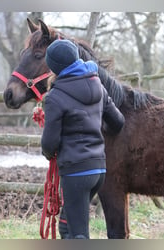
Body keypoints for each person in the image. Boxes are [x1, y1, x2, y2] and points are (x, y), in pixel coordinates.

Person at [41, 39, 125, 239]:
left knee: (79, 235)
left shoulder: (55, 97)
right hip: (98, 170)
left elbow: (49, 143)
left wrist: (48, 153)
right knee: (66, 227)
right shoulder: (98, 85)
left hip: (76, 173)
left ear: (54, 67)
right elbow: (118, 122)